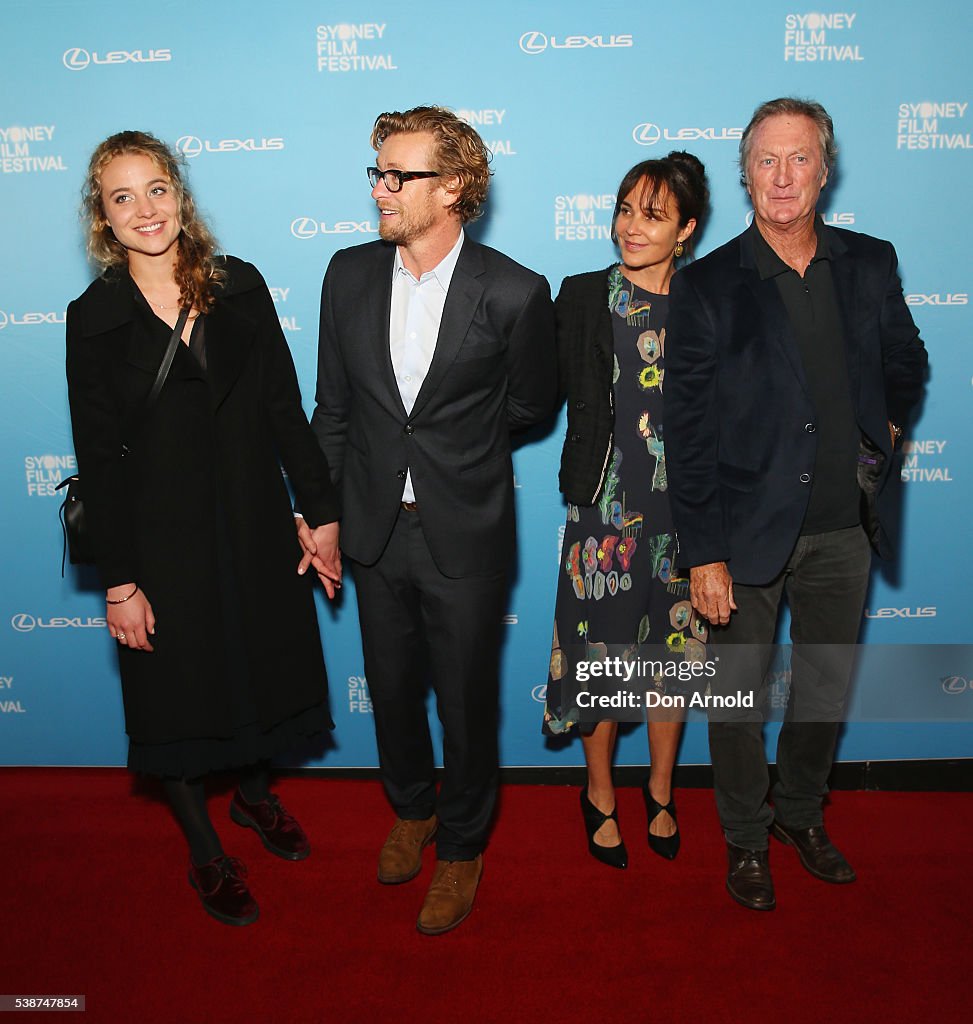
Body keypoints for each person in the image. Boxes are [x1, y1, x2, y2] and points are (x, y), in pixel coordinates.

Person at [65, 131, 342, 927]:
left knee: (255, 666)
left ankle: (255, 798)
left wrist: (319, 513)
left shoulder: (239, 285)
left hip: (254, 523)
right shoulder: (95, 318)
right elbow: (97, 459)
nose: (145, 209)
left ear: (179, 195)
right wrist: (120, 581)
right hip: (159, 545)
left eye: (156, 189)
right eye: (123, 198)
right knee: (175, 698)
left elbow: (286, 410)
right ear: (104, 220)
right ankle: (204, 853)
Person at [665, 98, 928, 910]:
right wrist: (703, 553)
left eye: (799, 159)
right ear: (745, 175)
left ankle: (802, 815)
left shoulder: (870, 262)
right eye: (765, 161)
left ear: (825, 167)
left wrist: (883, 420)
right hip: (742, 540)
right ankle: (745, 838)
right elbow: (687, 430)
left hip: (844, 530)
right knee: (737, 703)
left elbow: (907, 359)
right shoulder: (707, 285)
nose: (783, 178)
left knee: (821, 689)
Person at [301, 106, 556, 935]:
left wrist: (453, 454)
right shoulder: (346, 275)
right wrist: (324, 514)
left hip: (464, 531)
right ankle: (411, 809)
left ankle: (461, 847)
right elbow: (332, 409)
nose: (379, 188)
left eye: (396, 176)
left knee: (466, 701)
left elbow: (529, 405)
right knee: (395, 691)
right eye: (375, 172)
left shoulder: (515, 291)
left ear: (452, 188)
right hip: (373, 528)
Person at [543, 153, 710, 869]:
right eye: (624, 209)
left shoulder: (711, 302)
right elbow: (529, 390)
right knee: (601, 662)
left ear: (687, 230)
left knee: (675, 659)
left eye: (652, 215)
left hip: (690, 514)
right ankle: (600, 792)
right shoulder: (581, 296)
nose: (630, 227)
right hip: (603, 515)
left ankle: (663, 790)